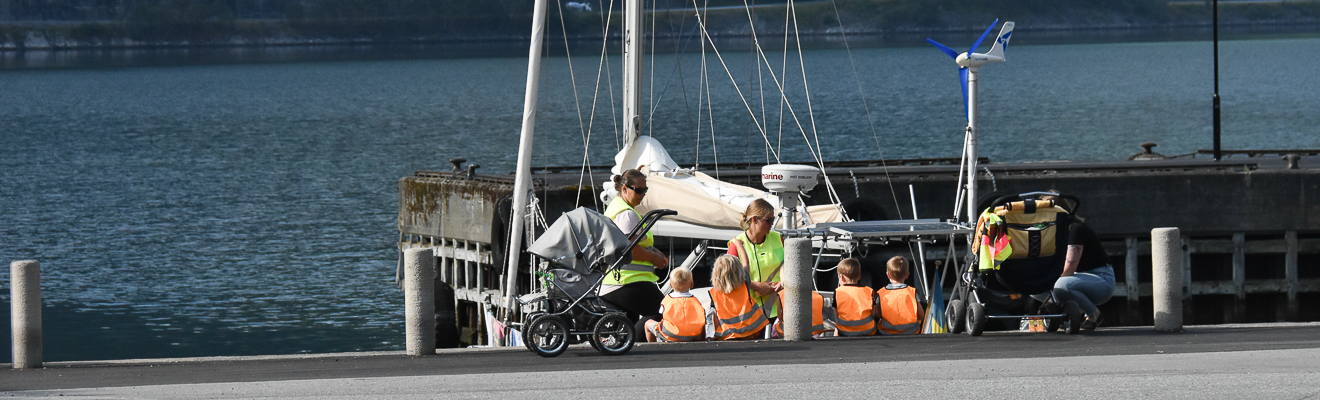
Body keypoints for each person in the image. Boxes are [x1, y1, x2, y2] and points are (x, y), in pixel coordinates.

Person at [602, 169, 669, 335]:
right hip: (628, 280)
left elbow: (639, 243)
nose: (642, 194)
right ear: (625, 189)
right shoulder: (626, 214)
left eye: (645, 190)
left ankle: (627, 349)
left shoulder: (617, 207)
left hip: (614, 281)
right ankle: (638, 344)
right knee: (663, 311)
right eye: (638, 190)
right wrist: (655, 259)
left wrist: (657, 254)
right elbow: (628, 248)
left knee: (628, 323)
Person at [1049, 196, 1115, 331]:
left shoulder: (1075, 229)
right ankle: (1065, 314)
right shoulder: (1051, 231)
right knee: (1035, 288)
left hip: (1100, 278)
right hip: (1077, 279)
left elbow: (1070, 268)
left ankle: (1093, 314)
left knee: (1061, 285)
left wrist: (1048, 279)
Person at [727, 198, 784, 336]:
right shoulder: (736, 245)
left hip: (778, 309)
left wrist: (783, 281)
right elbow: (729, 279)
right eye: (768, 220)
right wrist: (756, 286)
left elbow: (788, 264)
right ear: (754, 220)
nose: (772, 223)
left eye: (773, 219)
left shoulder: (779, 238)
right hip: (750, 311)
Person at [709, 254, 769, 340]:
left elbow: (715, 317)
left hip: (729, 335)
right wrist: (740, 245)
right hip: (753, 330)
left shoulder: (714, 293)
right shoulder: (744, 284)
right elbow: (746, 264)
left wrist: (716, 334)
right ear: (739, 271)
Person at [645, 268, 706, 342]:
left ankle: (652, 346)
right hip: (695, 335)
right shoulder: (695, 301)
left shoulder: (667, 299)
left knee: (647, 323)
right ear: (692, 284)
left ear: (670, 284)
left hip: (671, 334)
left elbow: (661, 313)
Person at [876, 256, 924, 335]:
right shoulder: (912, 291)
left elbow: (878, 314)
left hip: (887, 331)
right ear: (907, 275)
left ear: (888, 275)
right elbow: (920, 314)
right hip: (911, 330)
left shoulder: (882, 293)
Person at [833, 258, 878, 337]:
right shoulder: (870, 291)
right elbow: (874, 313)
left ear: (842, 278)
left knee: (837, 328)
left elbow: (836, 314)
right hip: (868, 329)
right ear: (859, 276)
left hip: (844, 330)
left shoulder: (838, 292)